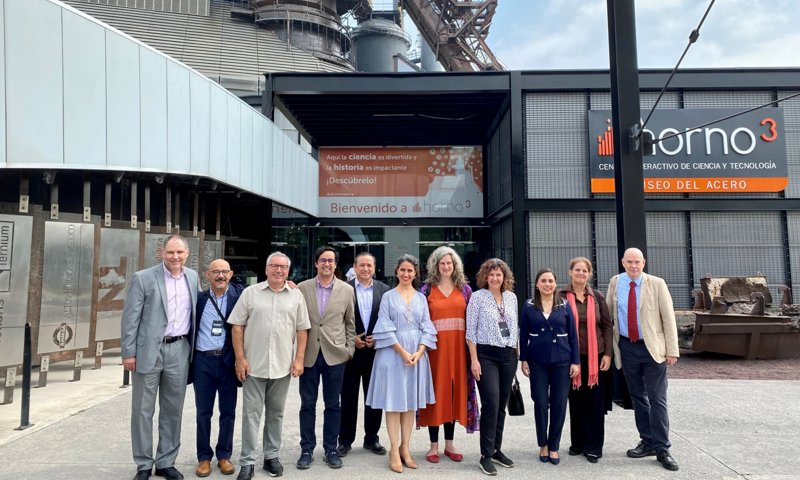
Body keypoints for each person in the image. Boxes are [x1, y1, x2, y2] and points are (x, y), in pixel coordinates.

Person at [121, 234, 201, 480]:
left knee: (173, 410)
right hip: (147, 353)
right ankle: (144, 464)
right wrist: (129, 352)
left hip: (179, 350)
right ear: (162, 253)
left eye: (179, 252)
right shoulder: (143, 278)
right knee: (143, 411)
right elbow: (130, 318)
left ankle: (166, 461)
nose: (175, 257)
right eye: (170, 253)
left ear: (187, 254)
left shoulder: (192, 277)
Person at [228, 252, 310, 480]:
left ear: (288, 270)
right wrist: (240, 358)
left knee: (276, 414)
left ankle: (271, 457)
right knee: (251, 415)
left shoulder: (296, 296)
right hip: (253, 366)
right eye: (274, 266)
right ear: (266, 269)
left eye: (283, 267)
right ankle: (247, 462)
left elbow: (302, 329)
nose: (279, 270)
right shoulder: (250, 293)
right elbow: (237, 327)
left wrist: (299, 359)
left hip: (283, 366)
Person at [607, 247, 680, 472]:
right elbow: (609, 316)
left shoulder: (657, 284)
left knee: (657, 398)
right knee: (638, 397)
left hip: (652, 350)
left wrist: (672, 350)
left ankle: (662, 448)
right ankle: (647, 441)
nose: (633, 266)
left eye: (637, 262)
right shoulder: (614, 283)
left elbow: (668, 317)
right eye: (629, 262)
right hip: (627, 348)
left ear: (644, 262)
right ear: (622, 262)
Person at [366, 254, 437, 473]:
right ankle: (394, 450)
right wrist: (402, 351)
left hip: (416, 355)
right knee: (393, 402)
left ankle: (406, 447)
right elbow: (384, 326)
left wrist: (420, 351)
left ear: (416, 274)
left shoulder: (421, 298)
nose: (406, 274)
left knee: (409, 404)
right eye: (402, 270)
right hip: (392, 354)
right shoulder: (388, 296)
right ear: (396, 272)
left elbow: (427, 325)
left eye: (410, 271)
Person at [296, 246, 356, 470]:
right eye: (323, 260)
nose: (327, 264)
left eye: (331, 261)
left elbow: (350, 323)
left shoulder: (346, 290)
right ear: (316, 263)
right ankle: (306, 449)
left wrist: (349, 349)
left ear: (335, 264)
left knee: (333, 404)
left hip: (335, 355)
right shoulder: (302, 288)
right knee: (307, 404)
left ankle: (331, 448)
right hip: (309, 355)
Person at [419, 246, 476, 464]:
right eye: (442, 263)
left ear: (455, 266)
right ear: (435, 265)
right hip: (435, 352)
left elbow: (472, 323)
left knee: (453, 395)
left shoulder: (465, 290)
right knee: (436, 396)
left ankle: (449, 444)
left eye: (449, 263)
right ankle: (433, 446)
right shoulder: (426, 290)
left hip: (459, 352)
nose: (445, 267)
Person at [519, 268, 580, 466]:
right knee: (540, 402)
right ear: (537, 284)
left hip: (562, 360)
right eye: (543, 281)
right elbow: (523, 334)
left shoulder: (564, 304)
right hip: (537, 361)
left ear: (555, 284)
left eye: (551, 281)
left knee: (559, 403)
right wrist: (524, 359)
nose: (547, 284)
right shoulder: (528, 305)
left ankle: (554, 445)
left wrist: (576, 362)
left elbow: (573, 334)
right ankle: (542, 444)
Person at [557, 257, 613, 464]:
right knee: (576, 401)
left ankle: (593, 447)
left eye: (585, 270)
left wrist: (608, 354)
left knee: (595, 404)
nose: (581, 273)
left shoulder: (597, 297)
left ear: (589, 274)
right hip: (569, 357)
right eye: (577, 270)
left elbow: (607, 326)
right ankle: (577, 443)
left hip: (595, 358)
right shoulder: (559, 296)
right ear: (570, 272)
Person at [466, 258, 518, 476]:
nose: (495, 278)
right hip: (486, 355)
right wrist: (474, 360)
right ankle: (485, 455)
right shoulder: (477, 298)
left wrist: (517, 352)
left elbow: (515, 327)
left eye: (499, 275)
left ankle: (496, 449)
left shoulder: (511, 297)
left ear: (505, 277)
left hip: (508, 355)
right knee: (491, 402)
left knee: (501, 405)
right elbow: (470, 331)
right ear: (485, 277)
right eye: (492, 274)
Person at [192, 259, 244, 477]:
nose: (220, 276)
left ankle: (224, 455)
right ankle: (204, 457)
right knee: (203, 413)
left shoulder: (240, 296)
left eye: (224, 272)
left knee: (228, 412)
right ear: (207, 275)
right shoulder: (199, 299)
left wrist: (291, 284)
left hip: (227, 362)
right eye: (216, 272)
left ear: (231, 274)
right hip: (202, 361)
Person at [337, 252, 390, 457]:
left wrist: (379, 338)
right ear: (355, 267)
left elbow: (388, 321)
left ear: (374, 267)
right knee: (348, 399)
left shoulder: (384, 290)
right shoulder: (343, 289)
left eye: (369, 265)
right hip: (349, 354)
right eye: (362, 265)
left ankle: (371, 439)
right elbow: (336, 320)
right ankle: (345, 441)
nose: (366, 269)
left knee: (374, 399)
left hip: (374, 354)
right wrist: (351, 340)